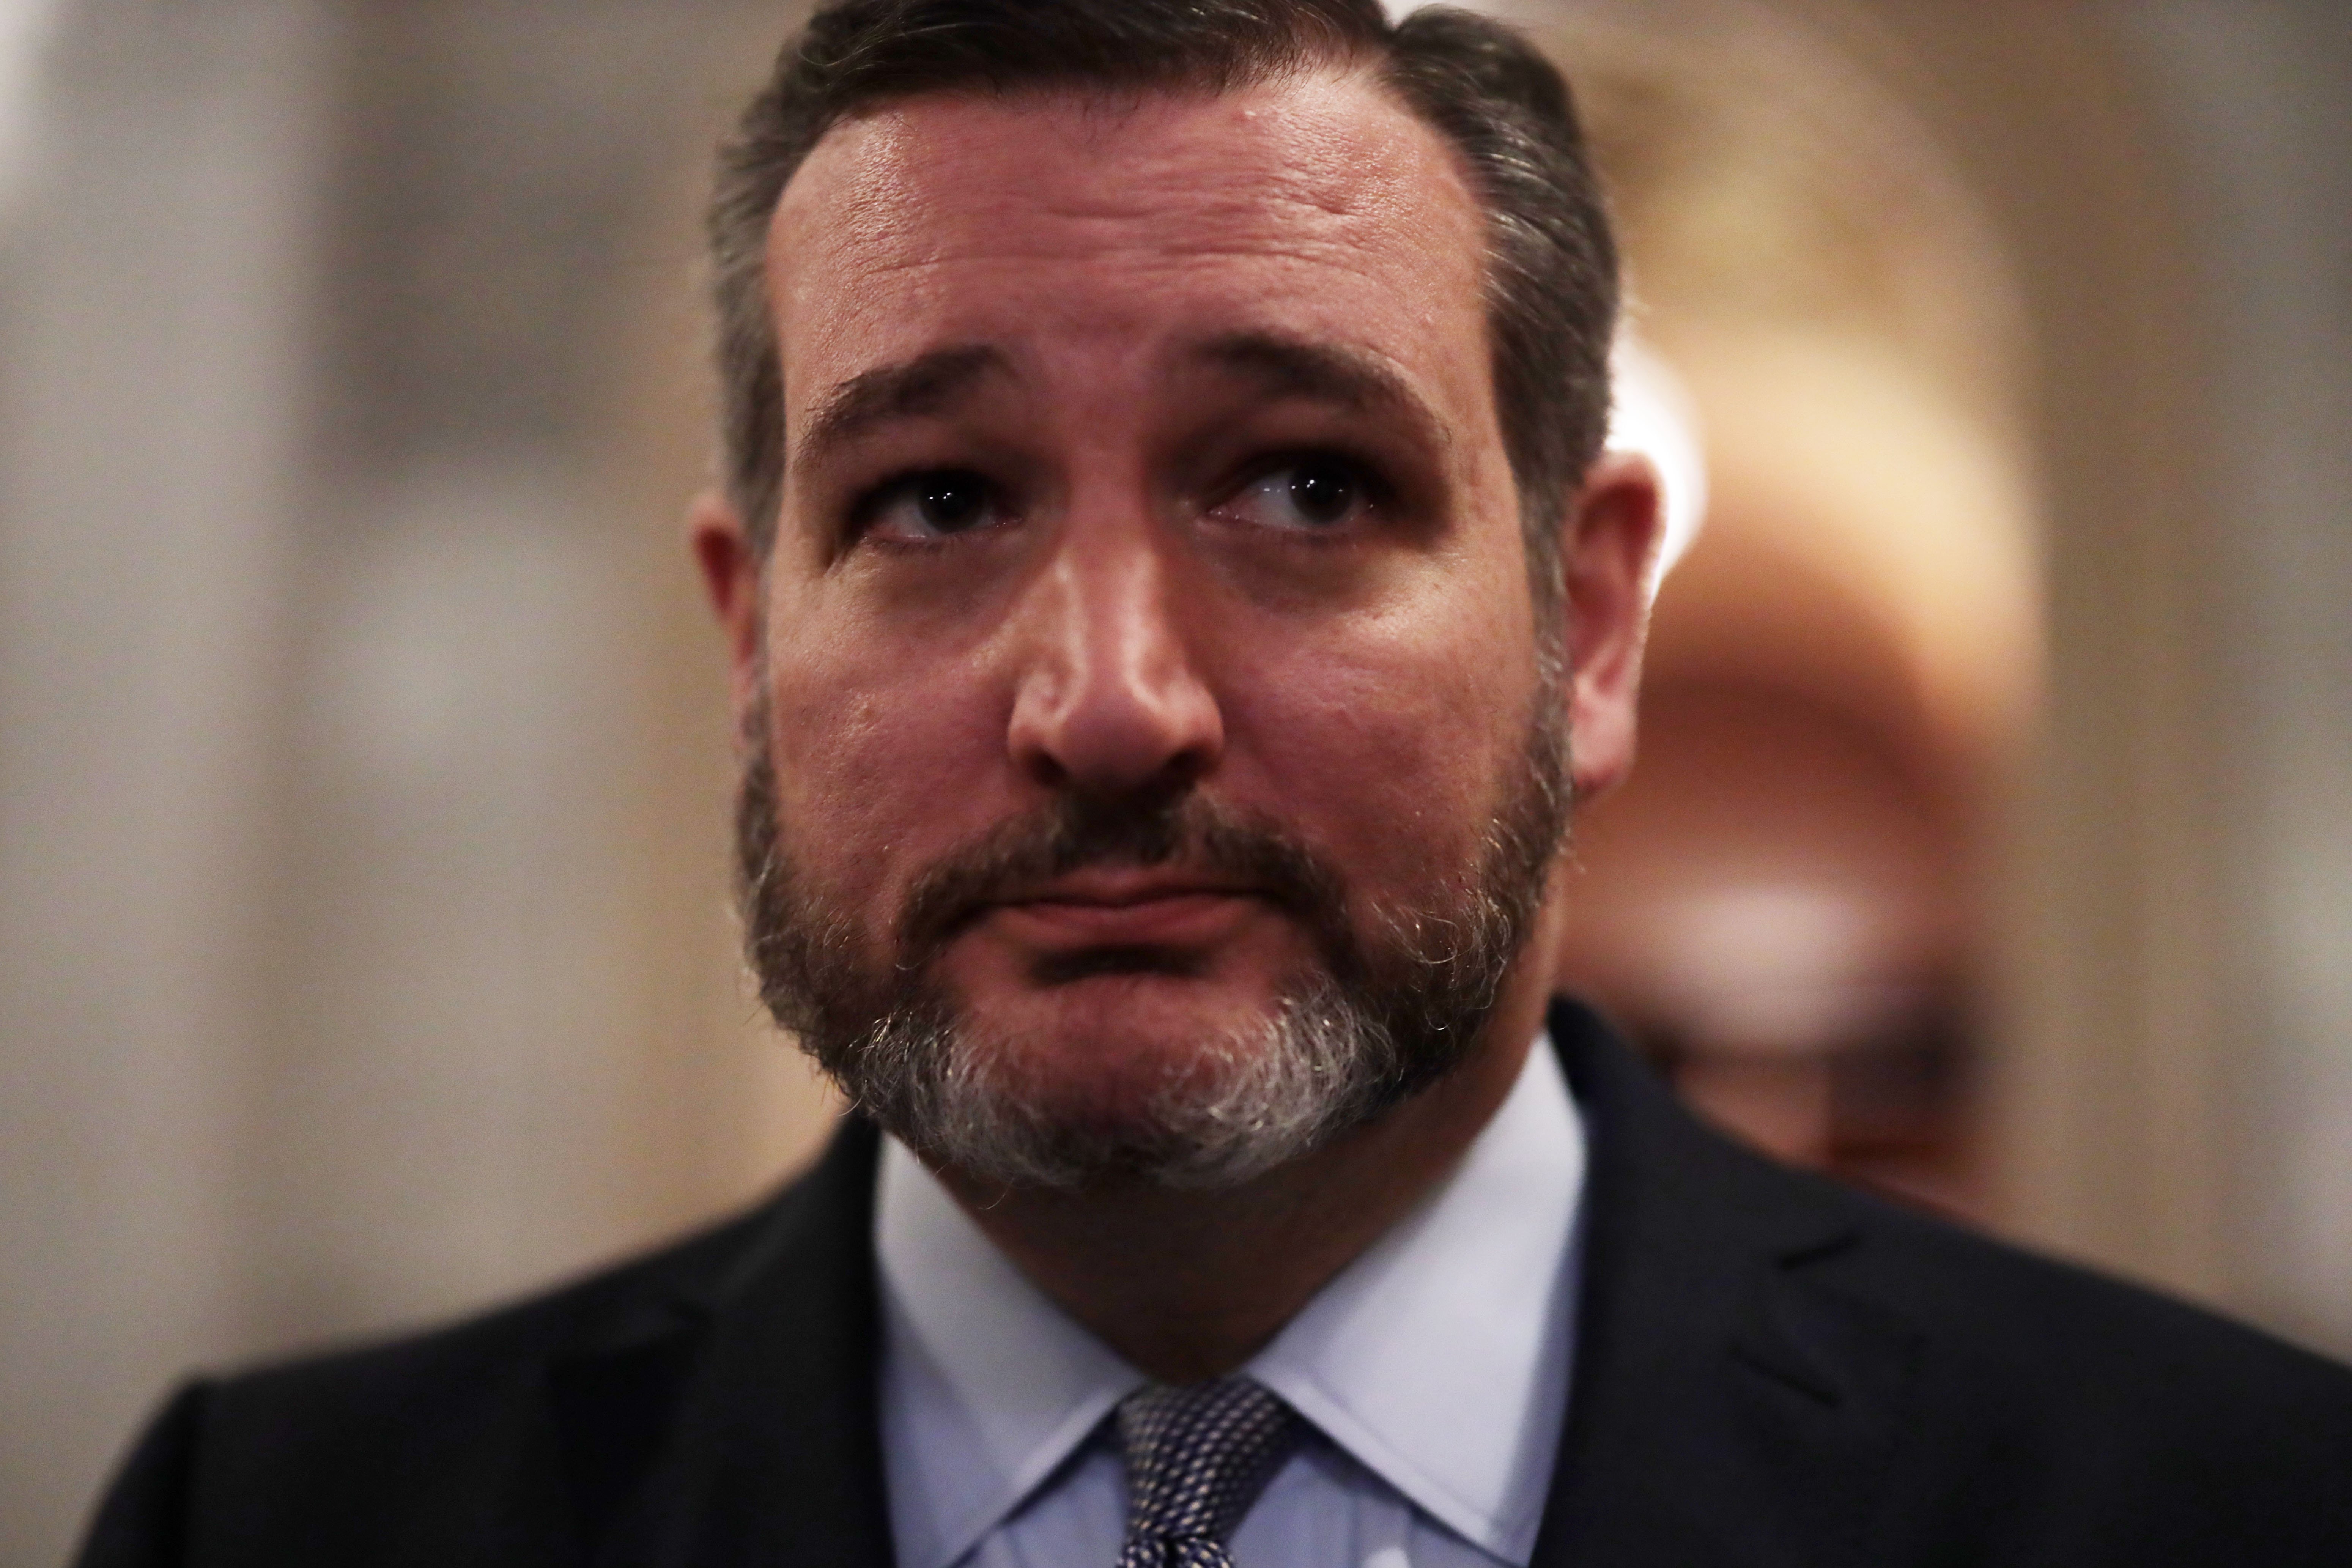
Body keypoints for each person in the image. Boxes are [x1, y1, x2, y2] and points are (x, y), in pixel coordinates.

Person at [72, 3, 2352, 1565]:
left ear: (1583, 621)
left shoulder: (2222, 1506)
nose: (1108, 701)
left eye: (1295, 482)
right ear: (755, 634)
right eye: (939, 502)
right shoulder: (283, 1524)